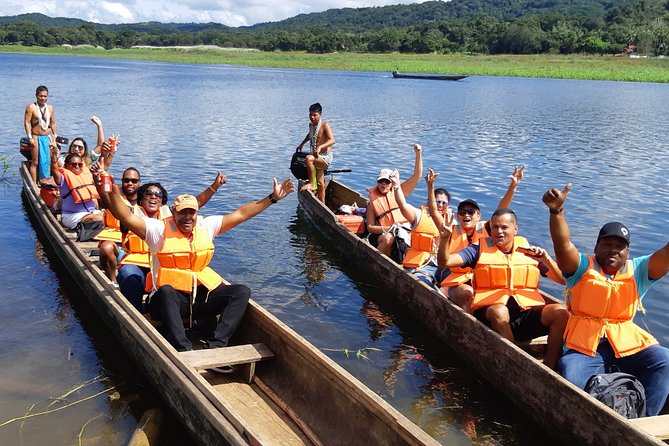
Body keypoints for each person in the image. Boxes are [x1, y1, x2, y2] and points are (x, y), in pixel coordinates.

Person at [102, 174, 295, 351]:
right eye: (182, 213)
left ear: (196, 213)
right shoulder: (158, 230)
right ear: (173, 213)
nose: (187, 217)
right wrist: (110, 191)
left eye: (191, 213)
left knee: (241, 292)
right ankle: (183, 348)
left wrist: (272, 199)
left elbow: (241, 214)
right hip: (166, 303)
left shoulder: (206, 226)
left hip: (197, 299)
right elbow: (125, 216)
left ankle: (216, 345)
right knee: (167, 291)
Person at [543, 184, 669, 415]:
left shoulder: (639, 270)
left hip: (627, 344)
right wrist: (556, 211)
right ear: (597, 247)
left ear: (627, 252)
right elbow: (562, 246)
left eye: (619, 247)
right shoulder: (581, 267)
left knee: (664, 360)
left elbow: (667, 254)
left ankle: (642, 423)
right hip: (585, 347)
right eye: (607, 244)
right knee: (571, 375)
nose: (613, 250)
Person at [436, 207, 568, 369]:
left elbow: (562, 280)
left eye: (504, 227)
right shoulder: (477, 250)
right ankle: (518, 364)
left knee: (562, 312)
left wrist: (546, 259)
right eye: (495, 227)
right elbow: (445, 263)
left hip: (523, 313)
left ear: (515, 229)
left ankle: (550, 365)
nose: (499, 231)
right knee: (499, 311)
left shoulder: (529, 251)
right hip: (490, 315)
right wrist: (445, 238)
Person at [428, 166, 525, 311]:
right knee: (468, 294)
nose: (466, 215)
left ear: (478, 215)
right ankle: (473, 324)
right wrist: (430, 187)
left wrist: (512, 188)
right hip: (452, 274)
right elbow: (434, 212)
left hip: (478, 275)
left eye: (471, 212)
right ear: (458, 215)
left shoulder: (486, 228)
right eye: (462, 212)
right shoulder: (449, 230)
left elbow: (501, 209)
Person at [390, 167, 451, 289]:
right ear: (430, 201)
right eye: (437, 201)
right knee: (424, 282)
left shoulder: (452, 221)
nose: (440, 205)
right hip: (419, 264)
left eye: (444, 203)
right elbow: (402, 205)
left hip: (441, 265)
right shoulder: (419, 215)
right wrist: (396, 184)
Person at [366, 143, 423, 263]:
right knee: (388, 239)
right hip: (382, 235)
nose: (383, 184)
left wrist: (418, 155)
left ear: (392, 183)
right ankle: (381, 264)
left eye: (387, 181)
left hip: (402, 229)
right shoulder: (372, 202)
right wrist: (389, 228)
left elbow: (417, 176)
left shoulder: (399, 192)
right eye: (381, 181)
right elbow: (370, 227)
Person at [95, 167, 142, 282]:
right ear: (122, 182)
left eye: (134, 181)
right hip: (119, 246)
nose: (130, 183)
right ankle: (113, 281)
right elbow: (105, 195)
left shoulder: (146, 201)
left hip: (139, 250)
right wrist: (97, 180)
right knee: (106, 247)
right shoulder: (115, 198)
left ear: (139, 183)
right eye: (126, 181)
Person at [49, 141, 103, 229]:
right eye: (74, 165)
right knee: (99, 218)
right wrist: (54, 156)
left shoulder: (87, 175)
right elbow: (54, 170)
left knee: (107, 216)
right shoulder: (62, 178)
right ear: (67, 166)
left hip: (92, 213)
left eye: (80, 164)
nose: (77, 166)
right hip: (72, 216)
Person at [297, 103, 335, 203]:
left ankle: (311, 183)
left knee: (308, 159)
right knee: (320, 183)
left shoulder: (324, 125)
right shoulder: (311, 125)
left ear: (320, 114)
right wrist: (301, 144)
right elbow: (310, 134)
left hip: (325, 157)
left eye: (315, 115)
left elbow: (332, 140)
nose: (312, 117)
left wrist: (320, 147)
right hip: (316, 156)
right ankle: (323, 205)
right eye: (310, 115)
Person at [24, 85, 57, 182]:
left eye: (45, 96)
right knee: (35, 162)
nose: (43, 98)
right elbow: (27, 122)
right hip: (36, 136)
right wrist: (29, 137)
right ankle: (34, 183)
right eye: (41, 96)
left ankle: (46, 181)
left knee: (48, 160)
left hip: (47, 136)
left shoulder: (50, 108)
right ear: (36, 96)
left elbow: (53, 122)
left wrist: (55, 136)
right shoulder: (31, 107)